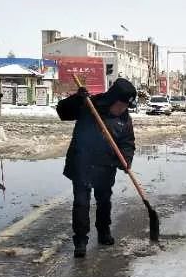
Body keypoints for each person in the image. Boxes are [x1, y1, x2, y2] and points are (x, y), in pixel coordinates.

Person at [57, 78, 137, 258]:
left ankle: (103, 231)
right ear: (112, 99)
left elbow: (127, 142)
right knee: (81, 203)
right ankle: (80, 240)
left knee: (104, 201)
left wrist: (126, 159)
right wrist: (77, 98)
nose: (123, 109)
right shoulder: (89, 105)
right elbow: (63, 112)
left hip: (106, 166)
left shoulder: (124, 118)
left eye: (126, 107)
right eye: (121, 105)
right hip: (82, 162)